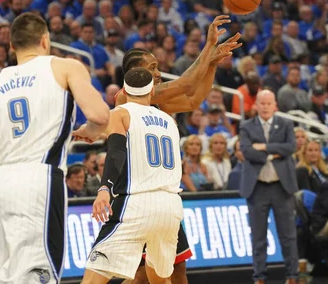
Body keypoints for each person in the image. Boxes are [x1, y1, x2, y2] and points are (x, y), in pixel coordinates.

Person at [0, 12, 110, 283]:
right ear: (45, 40)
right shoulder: (65, 67)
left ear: (12, 47)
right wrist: (91, 131)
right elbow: (99, 116)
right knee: (35, 276)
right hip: (38, 181)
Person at [113, 15, 240, 284]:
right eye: (152, 67)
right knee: (142, 274)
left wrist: (214, 63)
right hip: (140, 196)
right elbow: (184, 84)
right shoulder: (128, 96)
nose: (158, 73)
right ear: (134, 73)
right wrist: (208, 49)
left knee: (176, 269)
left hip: (164, 197)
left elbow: (193, 98)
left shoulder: (157, 100)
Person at [81, 67, 183, 284]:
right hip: (170, 206)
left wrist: (104, 189)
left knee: (93, 277)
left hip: (137, 203)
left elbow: (116, 153)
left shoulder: (121, 113)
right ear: (152, 90)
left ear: (123, 91)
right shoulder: (170, 122)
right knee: (160, 279)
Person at [239, 89, 299, 284]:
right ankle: (259, 277)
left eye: (268, 103)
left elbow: (291, 147)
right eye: (262, 103)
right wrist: (275, 152)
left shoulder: (286, 123)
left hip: (282, 187)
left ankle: (292, 276)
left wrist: (264, 147)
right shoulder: (246, 126)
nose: (265, 107)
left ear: (275, 105)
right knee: (258, 237)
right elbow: (247, 151)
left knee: (288, 235)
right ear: (256, 105)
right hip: (257, 188)